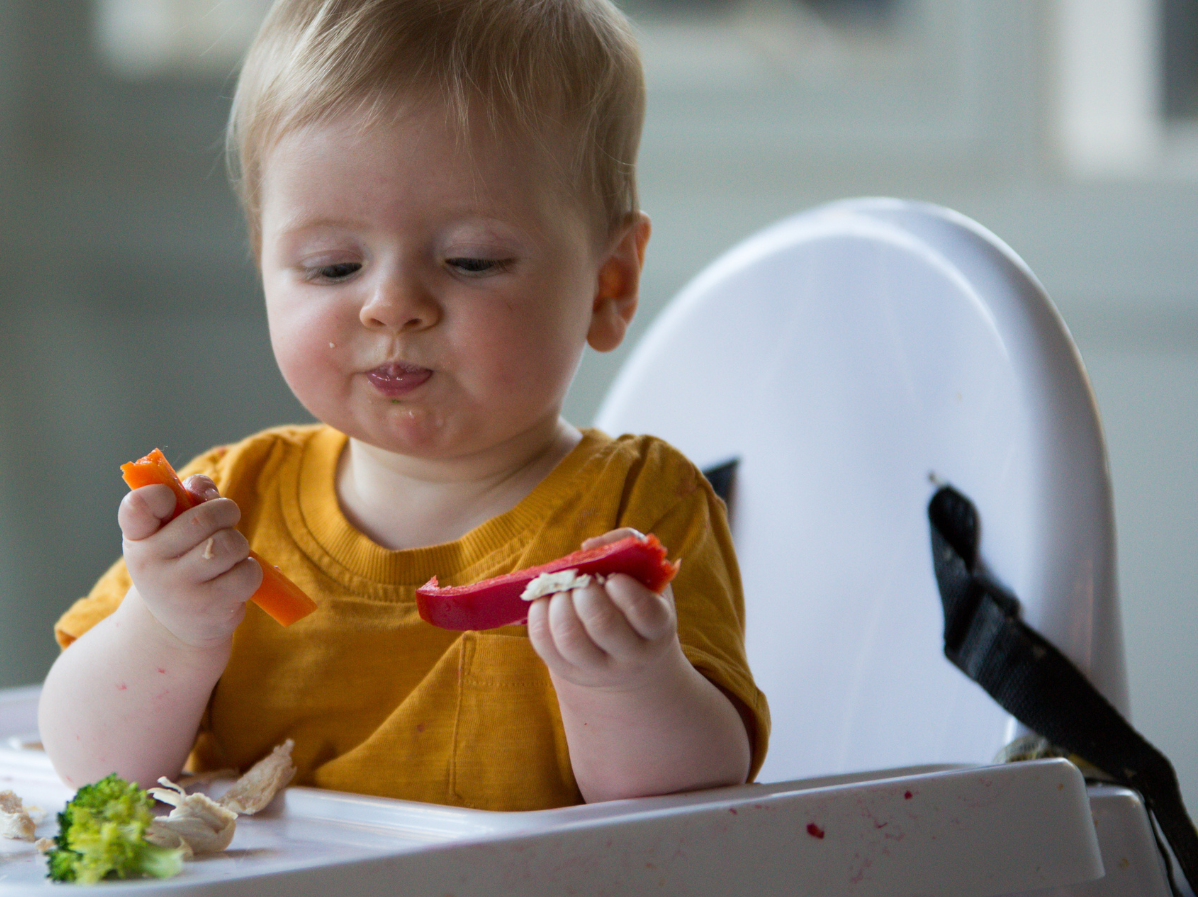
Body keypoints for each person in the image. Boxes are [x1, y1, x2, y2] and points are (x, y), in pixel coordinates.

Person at [38, 0, 769, 812]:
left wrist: (629, 686)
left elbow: (693, 816)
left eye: (471, 260)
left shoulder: (638, 510)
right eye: (331, 266)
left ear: (608, 284)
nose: (391, 305)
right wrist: (170, 629)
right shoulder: (230, 510)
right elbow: (91, 767)